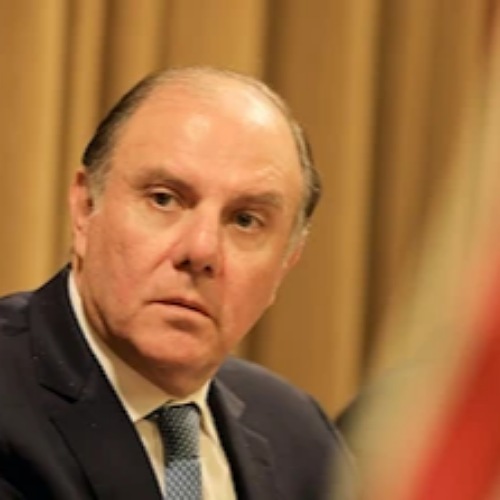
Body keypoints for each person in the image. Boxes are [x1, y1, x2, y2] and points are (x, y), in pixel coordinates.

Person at [0, 67, 351, 499]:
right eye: (163, 199)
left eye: (245, 220)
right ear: (85, 207)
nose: (201, 251)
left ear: (286, 263)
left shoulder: (300, 436)